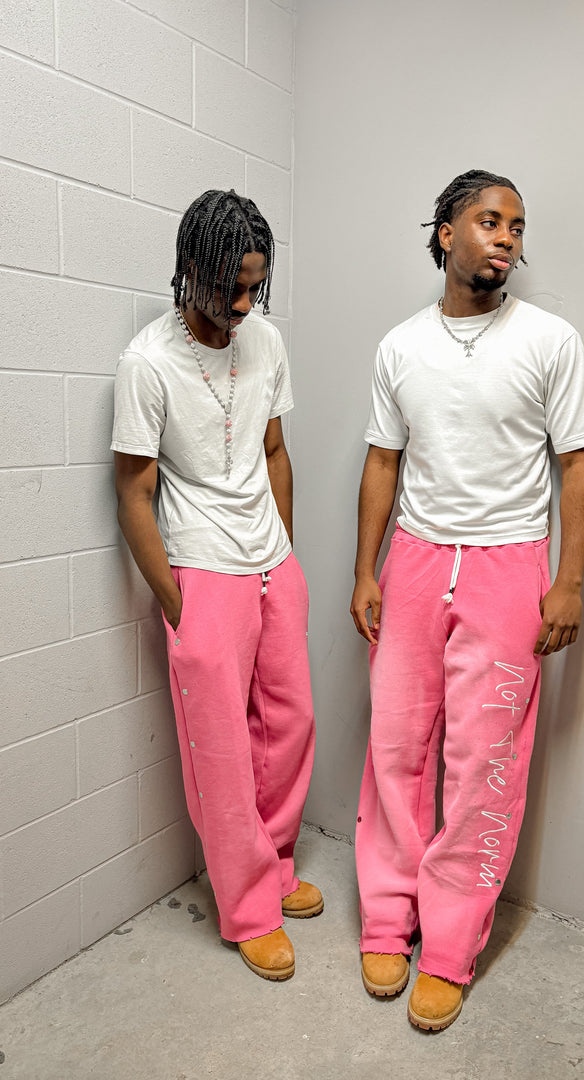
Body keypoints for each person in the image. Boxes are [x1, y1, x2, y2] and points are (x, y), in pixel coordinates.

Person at [350, 169, 584, 1030]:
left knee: (484, 764)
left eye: (517, 226)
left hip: (508, 566)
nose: (506, 238)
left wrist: (569, 581)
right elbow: (382, 459)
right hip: (416, 562)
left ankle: (451, 947)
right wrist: (366, 569)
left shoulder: (550, 340)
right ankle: (387, 920)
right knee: (395, 746)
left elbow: (579, 461)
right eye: (490, 221)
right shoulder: (400, 346)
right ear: (447, 231)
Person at [112, 189, 321, 982]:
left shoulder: (264, 339)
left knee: (290, 725)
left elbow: (274, 451)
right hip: (202, 569)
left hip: (272, 564)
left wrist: (286, 555)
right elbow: (133, 493)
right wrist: (177, 602)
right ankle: (247, 908)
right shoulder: (147, 363)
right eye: (230, 288)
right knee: (223, 752)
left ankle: (277, 864)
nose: (242, 306)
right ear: (189, 270)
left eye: (254, 289)